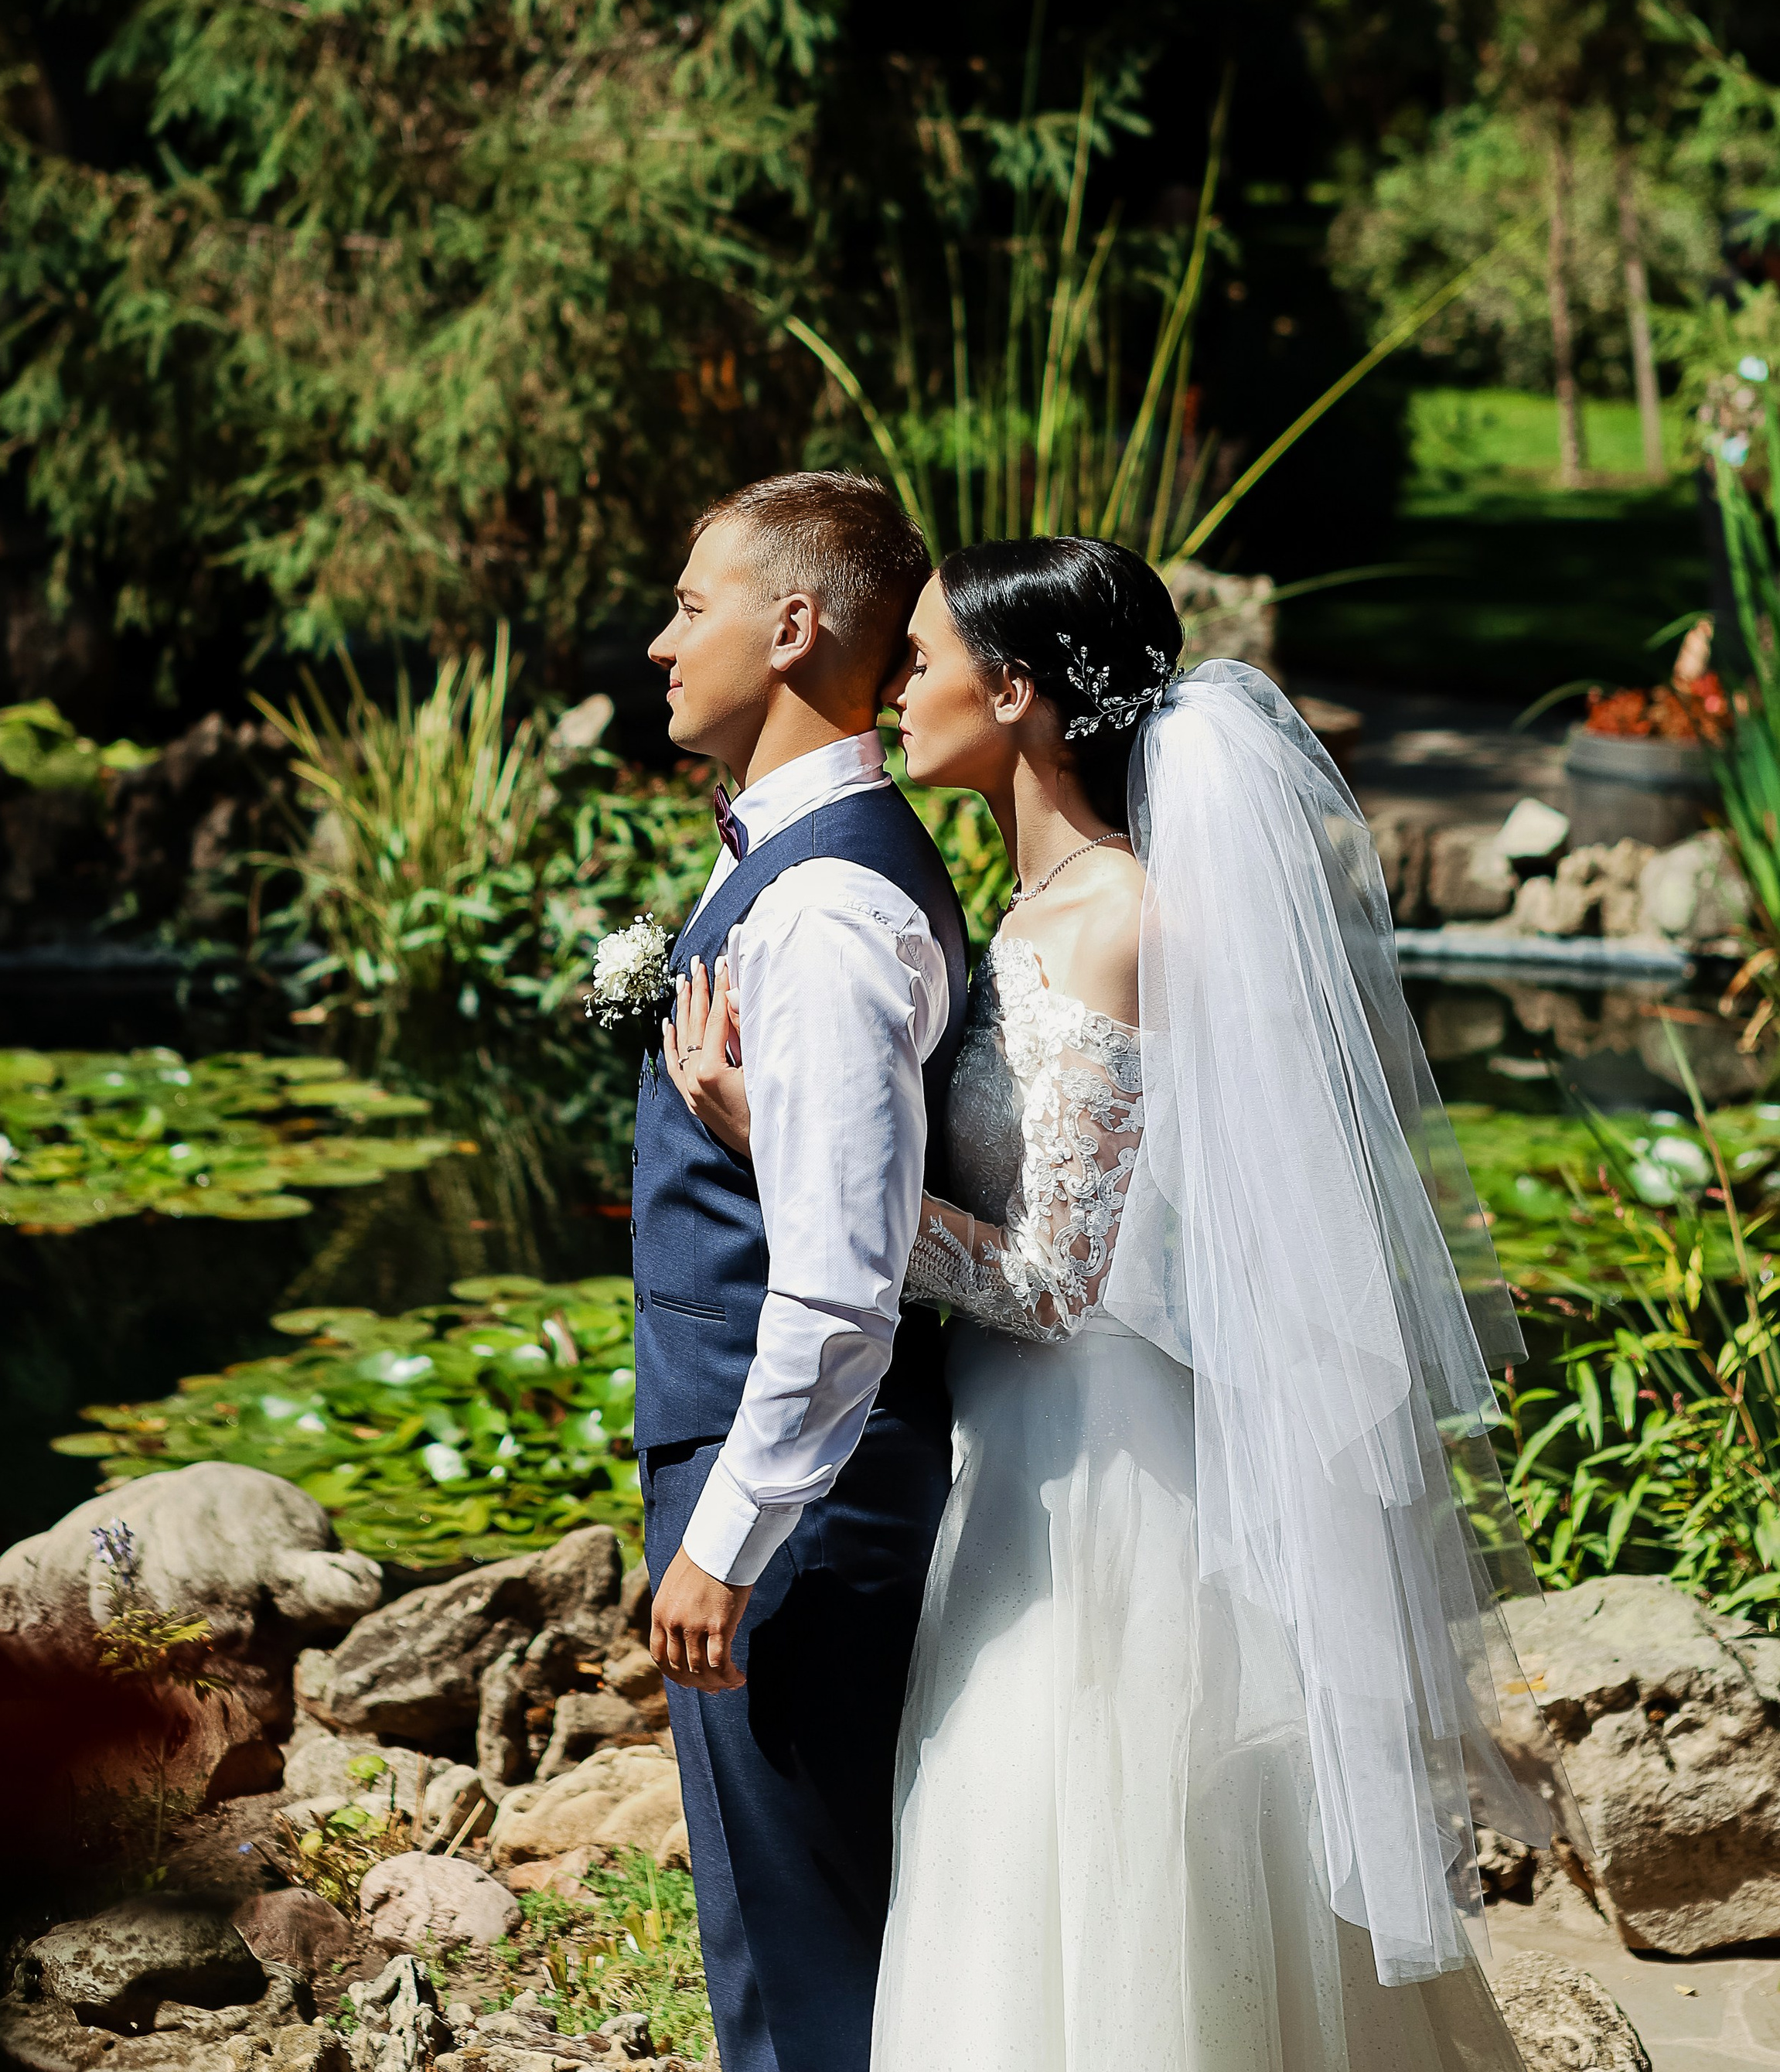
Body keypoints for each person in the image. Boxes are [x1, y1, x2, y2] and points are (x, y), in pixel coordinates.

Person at [670, 533, 1575, 2072]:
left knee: (1095, 1850)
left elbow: (1053, 1277)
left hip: (1107, 1481)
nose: (896, 686)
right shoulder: (1017, 908)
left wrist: (792, 1149)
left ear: (1013, 693)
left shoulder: (1115, 920)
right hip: (1015, 1454)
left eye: (928, 661)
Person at [634, 470, 971, 2072]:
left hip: (796, 1503)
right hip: (784, 1480)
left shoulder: (826, 903)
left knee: (803, 1968)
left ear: (787, 626)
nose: (657, 642)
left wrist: (728, 1535)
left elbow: (838, 1283)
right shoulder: (790, 857)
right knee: (782, 1940)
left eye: (688, 605)